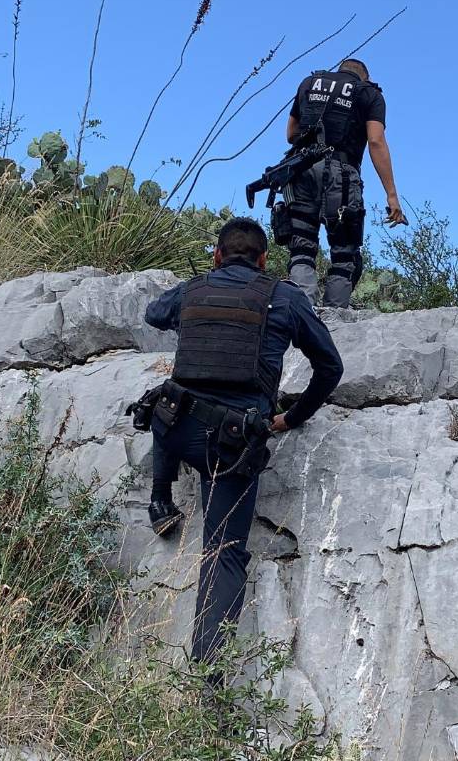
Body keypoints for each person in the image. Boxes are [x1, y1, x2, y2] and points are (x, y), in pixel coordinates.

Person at [138, 217, 343, 676]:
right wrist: (292, 417)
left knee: (166, 398)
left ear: (217, 255)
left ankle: (160, 499)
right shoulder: (285, 297)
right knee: (223, 552)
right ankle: (208, 681)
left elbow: (153, 314)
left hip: (177, 429)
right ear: (264, 260)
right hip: (230, 448)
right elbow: (330, 367)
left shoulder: (192, 290)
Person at [280, 57, 408, 307]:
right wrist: (391, 195)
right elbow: (376, 141)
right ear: (365, 77)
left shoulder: (309, 83)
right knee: (343, 254)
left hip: (301, 170)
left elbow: (291, 134)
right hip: (342, 175)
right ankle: (334, 316)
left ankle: (303, 311)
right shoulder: (369, 93)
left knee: (301, 247)